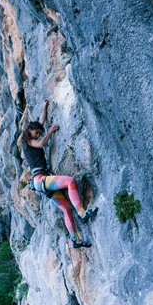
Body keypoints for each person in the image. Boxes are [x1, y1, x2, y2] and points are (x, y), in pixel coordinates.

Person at [18, 99, 97, 248]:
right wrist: (50, 131)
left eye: (39, 133)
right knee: (69, 181)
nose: (38, 135)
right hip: (41, 179)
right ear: (29, 130)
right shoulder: (26, 141)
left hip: (41, 184)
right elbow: (41, 143)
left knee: (66, 209)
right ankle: (81, 213)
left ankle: (75, 240)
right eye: (36, 133)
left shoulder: (31, 137)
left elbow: (40, 122)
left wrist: (44, 107)